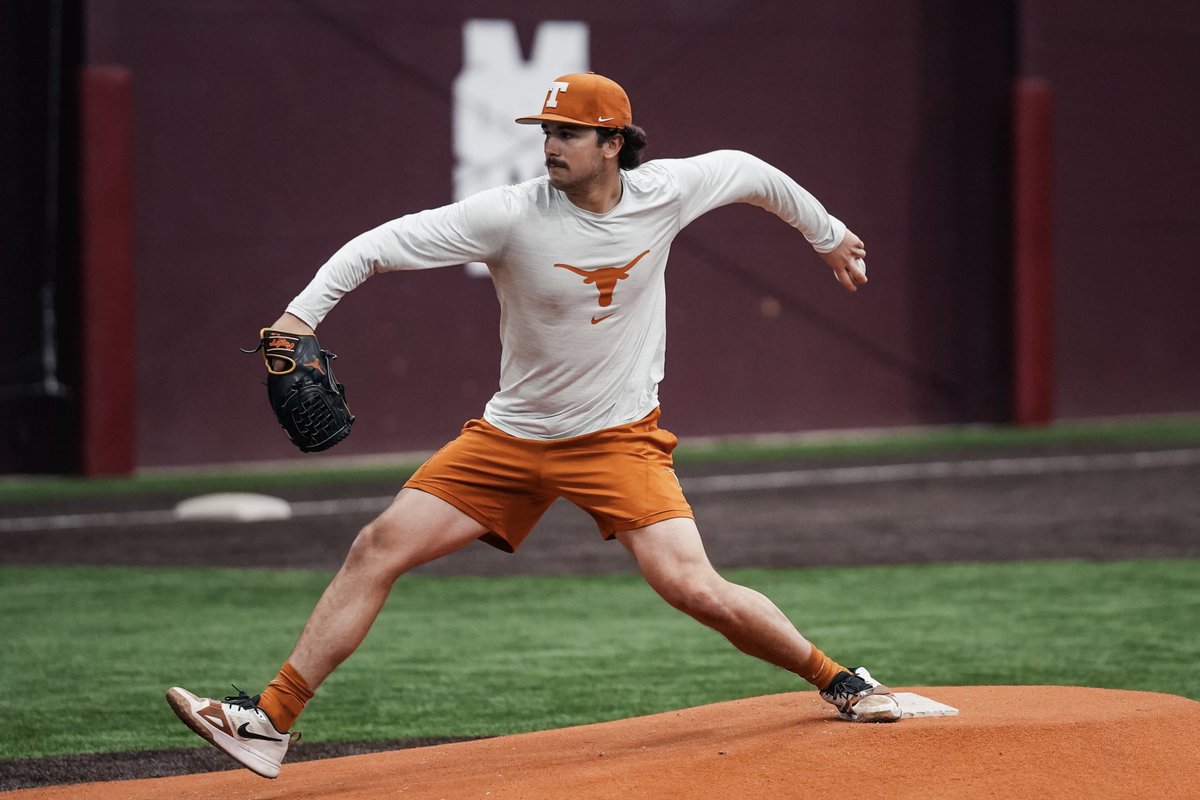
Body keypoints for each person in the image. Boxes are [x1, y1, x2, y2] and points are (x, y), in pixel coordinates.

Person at [166, 71, 898, 780]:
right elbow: (376, 247)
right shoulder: (510, 215)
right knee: (376, 548)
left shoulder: (666, 192)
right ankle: (270, 722)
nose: (550, 145)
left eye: (568, 133)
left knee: (693, 588)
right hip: (509, 440)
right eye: (546, 131)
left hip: (616, 440)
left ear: (613, 143)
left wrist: (828, 235)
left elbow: (752, 172)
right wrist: (298, 320)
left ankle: (840, 680)